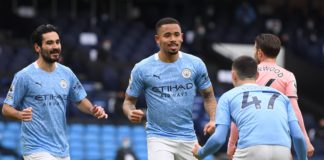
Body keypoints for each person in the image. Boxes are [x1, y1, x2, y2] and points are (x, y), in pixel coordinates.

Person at [1, 24, 108, 160]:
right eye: (49, 43)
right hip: (36, 149)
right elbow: (6, 108)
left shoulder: (67, 73)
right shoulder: (24, 76)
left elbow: (79, 100)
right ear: (37, 47)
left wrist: (93, 109)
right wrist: (19, 114)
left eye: (57, 42)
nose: (56, 47)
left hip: (62, 150)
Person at [122, 17, 217, 160]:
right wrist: (130, 112)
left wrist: (213, 119)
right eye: (167, 35)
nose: (173, 39)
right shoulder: (142, 68)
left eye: (176, 35)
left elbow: (209, 96)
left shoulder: (195, 64)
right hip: (159, 138)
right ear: (157, 39)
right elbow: (128, 101)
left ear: (182, 37)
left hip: (188, 136)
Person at [192, 55, 307, 160]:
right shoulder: (281, 96)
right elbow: (298, 137)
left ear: (233, 75)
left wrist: (201, 152)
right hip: (283, 151)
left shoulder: (228, 96)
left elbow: (218, 139)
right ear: (257, 75)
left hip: (250, 151)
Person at [227, 33, 314, 159]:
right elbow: (295, 110)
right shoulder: (288, 76)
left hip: (251, 141)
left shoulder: (248, 74)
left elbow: (239, 111)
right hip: (280, 142)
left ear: (260, 53)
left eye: (254, 48)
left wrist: (231, 143)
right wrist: (306, 139)